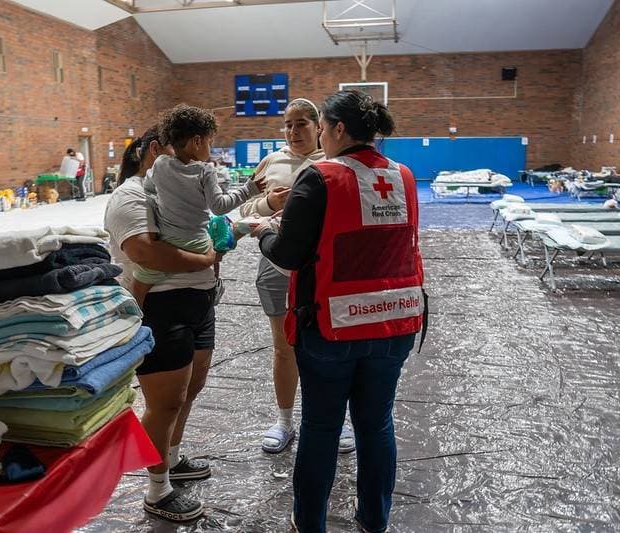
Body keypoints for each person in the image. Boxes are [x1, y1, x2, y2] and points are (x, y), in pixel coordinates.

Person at [253, 90, 425, 533]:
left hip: (333, 328)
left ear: (338, 129)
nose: (322, 137)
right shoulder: (404, 176)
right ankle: (374, 520)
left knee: (322, 428)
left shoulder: (321, 177)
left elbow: (289, 255)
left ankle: (308, 523)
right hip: (394, 324)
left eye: (323, 128)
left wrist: (263, 232)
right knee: (376, 425)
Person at [104, 125, 219, 523]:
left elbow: (210, 223)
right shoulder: (131, 194)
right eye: (190, 146)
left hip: (200, 301)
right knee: (165, 401)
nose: (199, 154)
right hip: (161, 307)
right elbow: (143, 252)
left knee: (190, 388)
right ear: (157, 149)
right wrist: (205, 258)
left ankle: (169, 457)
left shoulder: (180, 190)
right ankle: (157, 489)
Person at [239, 98, 355, 455]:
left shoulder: (335, 162)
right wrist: (269, 205)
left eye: (301, 123)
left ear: (319, 127)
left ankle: (339, 419)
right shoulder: (271, 161)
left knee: (331, 343)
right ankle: (285, 420)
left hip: (324, 266)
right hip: (275, 263)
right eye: (288, 125)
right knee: (283, 345)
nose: (293, 131)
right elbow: (244, 207)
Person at [129, 104, 265, 306]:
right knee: (219, 225)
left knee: (139, 281)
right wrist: (248, 190)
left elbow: (148, 188)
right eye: (210, 142)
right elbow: (219, 205)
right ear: (197, 141)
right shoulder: (205, 171)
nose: (210, 149)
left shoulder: (160, 164)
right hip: (197, 243)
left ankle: (137, 316)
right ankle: (234, 236)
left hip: (168, 241)